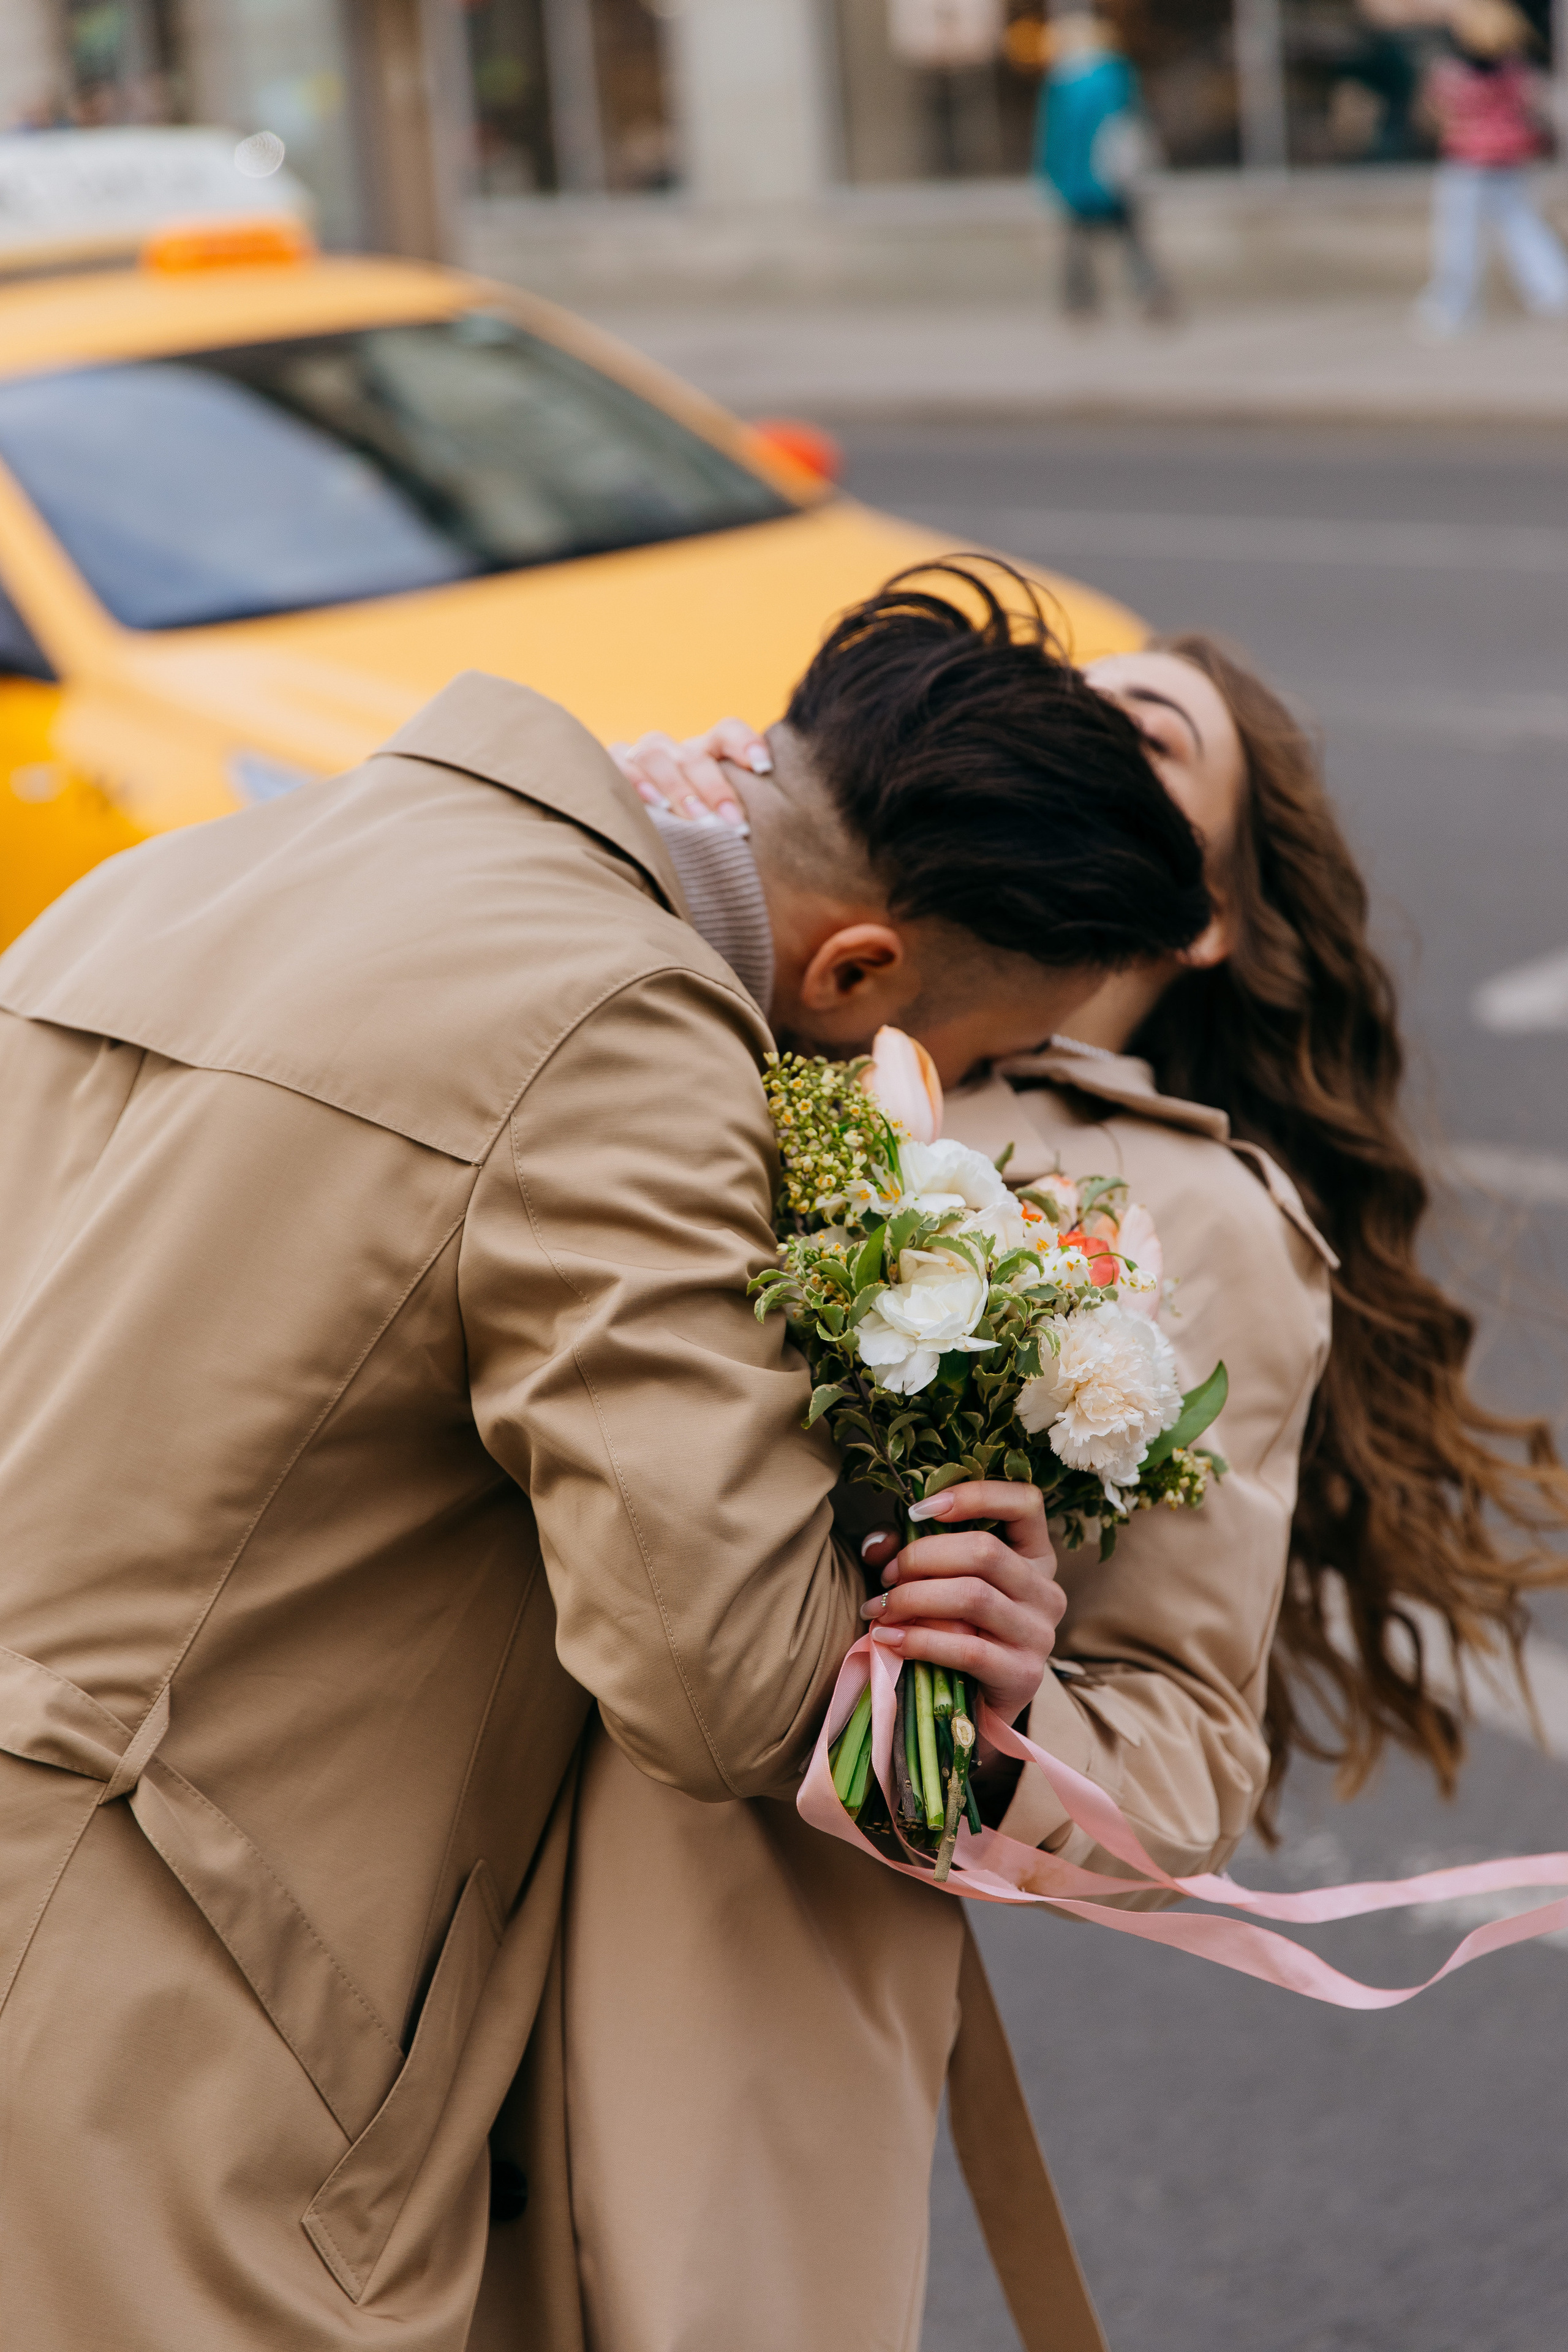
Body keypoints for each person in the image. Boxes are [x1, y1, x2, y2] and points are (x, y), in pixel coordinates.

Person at [0, 578, 1208, 2348]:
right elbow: (717, 1679)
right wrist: (926, 1545)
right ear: (857, 972)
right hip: (167, 2016)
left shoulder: (180, 875)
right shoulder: (620, 1036)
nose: (963, 1097)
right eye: (975, 1055)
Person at [613, 619, 1568, 1866]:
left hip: (723, 1877)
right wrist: (689, 836)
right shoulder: (810, 966)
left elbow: (1179, 1761)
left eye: (1145, 738)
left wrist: (1002, 1707)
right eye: (1050, 702)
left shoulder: (1201, 1211)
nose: (1069, 739)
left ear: (1207, 914)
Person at [1415, 0, 1568, 336]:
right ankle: (1553, 291)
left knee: (1460, 235)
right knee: (1523, 226)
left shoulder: (1451, 73)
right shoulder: (1517, 72)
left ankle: (1453, 306)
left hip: (1469, 161)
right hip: (1510, 157)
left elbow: (1435, 113)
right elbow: (1533, 105)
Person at [1033, 7, 1175, 323]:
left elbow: (1053, 135)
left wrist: (1049, 173)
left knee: (1077, 246)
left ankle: (1080, 306)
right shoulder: (1116, 75)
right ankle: (1152, 296)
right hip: (1115, 174)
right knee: (1132, 240)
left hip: (1078, 178)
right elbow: (1132, 120)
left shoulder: (1061, 81)